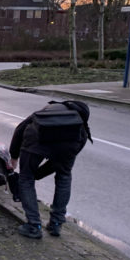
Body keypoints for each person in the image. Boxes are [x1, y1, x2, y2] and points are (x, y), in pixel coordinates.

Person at [9, 101, 92, 239]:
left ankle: (34, 226)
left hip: (34, 141)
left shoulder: (49, 109)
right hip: (68, 144)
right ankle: (56, 223)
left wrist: (14, 156)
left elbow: (20, 128)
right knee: (64, 176)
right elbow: (56, 165)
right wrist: (38, 174)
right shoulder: (81, 128)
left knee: (26, 179)